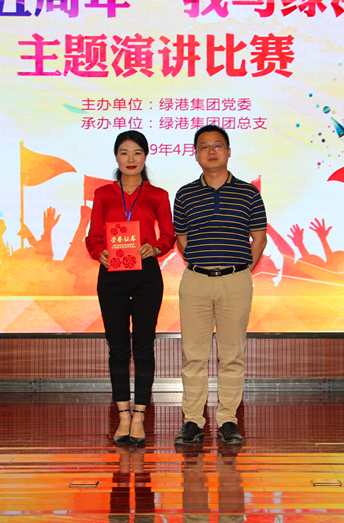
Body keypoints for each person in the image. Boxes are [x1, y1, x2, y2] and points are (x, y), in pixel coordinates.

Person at [172, 125, 267, 446]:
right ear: (196, 154)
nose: (211, 151)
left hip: (235, 281)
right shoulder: (185, 194)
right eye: (204, 146)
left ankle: (228, 419)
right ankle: (193, 421)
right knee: (193, 355)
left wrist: (239, 271)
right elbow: (182, 240)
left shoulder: (248, 193)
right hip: (195, 281)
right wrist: (205, 263)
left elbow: (259, 238)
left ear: (228, 151)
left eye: (217, 145)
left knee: (232, 355)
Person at [85, 130, 176, 446]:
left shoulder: (158, 195)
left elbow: (169, 235)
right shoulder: (103, 194)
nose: (131, 159)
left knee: (144, 346)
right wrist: (100, 252)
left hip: (146, 273)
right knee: (118, 348)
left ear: (146, 156)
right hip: (112, 273)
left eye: (137, 152)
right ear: (116, 157)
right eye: (124, 152)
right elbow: (93, 236)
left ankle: (139, 417)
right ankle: (123, 416)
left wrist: (157, 248)